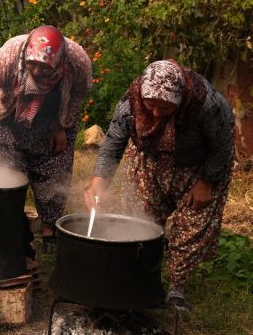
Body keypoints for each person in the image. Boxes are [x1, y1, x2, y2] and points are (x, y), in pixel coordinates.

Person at [84, 60, 234, 310]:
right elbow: (112, 146)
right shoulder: (130, 104)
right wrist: (99, 182)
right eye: (150, 105)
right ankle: (139, 273)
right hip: (152, 159)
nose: (155, 113)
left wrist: (207, 182)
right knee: (141, 217)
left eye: (165, 108)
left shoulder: (206, 104)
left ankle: (176, 287)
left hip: (199, 165)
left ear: (180, 100)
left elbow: (223, 144)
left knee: (193, 223)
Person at [0, 25, 92, 254]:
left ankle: (50, 229)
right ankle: (13, 228)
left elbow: (80, 91)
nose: (37, 72)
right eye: (32, 64)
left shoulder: (77, 61)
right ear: (25, 56)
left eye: (45, 66)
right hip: (8, 112)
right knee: (6, 172)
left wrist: (61, 125)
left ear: (60, 62)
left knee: (54, 168)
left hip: (53, 114)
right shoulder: (7, 59)